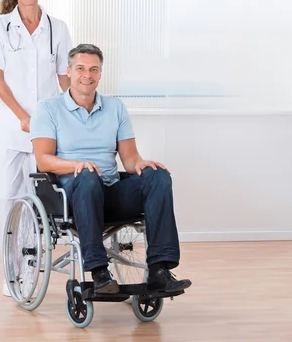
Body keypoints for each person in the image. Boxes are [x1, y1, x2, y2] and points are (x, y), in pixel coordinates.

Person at [30, 44, 191, 294]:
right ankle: (99, 271)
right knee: (87, 175)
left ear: (100, 74)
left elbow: (130, 160)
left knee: (158, 176)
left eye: (94, 69)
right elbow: (43, 160)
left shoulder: (115, 108)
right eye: (81, 68)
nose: (87, 75)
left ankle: (159, 270)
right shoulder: (48, 109)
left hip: (109, 192)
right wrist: (77, 165)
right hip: (72, 195)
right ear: (69, 71)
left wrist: (143, 164)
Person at [0, 0, 73, 296]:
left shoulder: (58, 28)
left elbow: (64, 77)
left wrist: (77, 108)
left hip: (46, 128)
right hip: (10, 126)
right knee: (7, 196)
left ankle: (33, 266)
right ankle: (11, 270)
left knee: (41, 199)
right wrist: (20, 114)